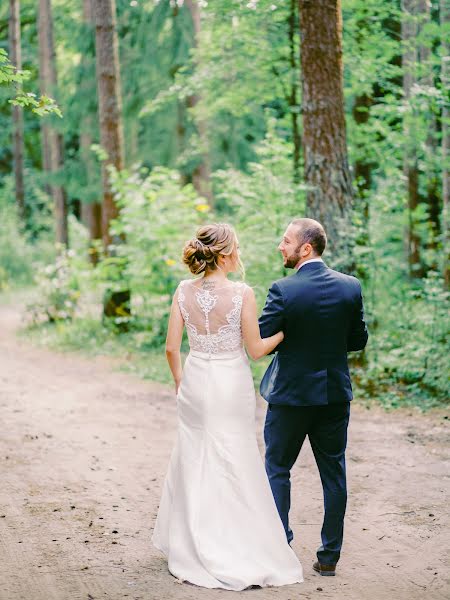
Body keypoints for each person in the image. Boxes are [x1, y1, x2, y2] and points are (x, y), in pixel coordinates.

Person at [152, 223, 303, 591]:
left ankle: (189, 539)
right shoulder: (241, 293)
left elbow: (172, 347)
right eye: (236, 248)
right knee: (235, 454)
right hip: (230, 383)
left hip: (196, 381)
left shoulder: (183, 291)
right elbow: (255, 349)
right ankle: (235, 539)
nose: (240, 254)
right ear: (222, 254)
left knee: (194, 454)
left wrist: (179, 381)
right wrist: (287, 331)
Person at [259, 218, 369, 577]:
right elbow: (357, 341)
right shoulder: (350, 287)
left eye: (286, 241)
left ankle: (281, 547)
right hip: (334, 396)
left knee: (277, 469)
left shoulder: (283, 290)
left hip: (290, 397)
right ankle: (329, 557)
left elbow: (262, 336)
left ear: (305, 248)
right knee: (334, 475)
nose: (281, 246)